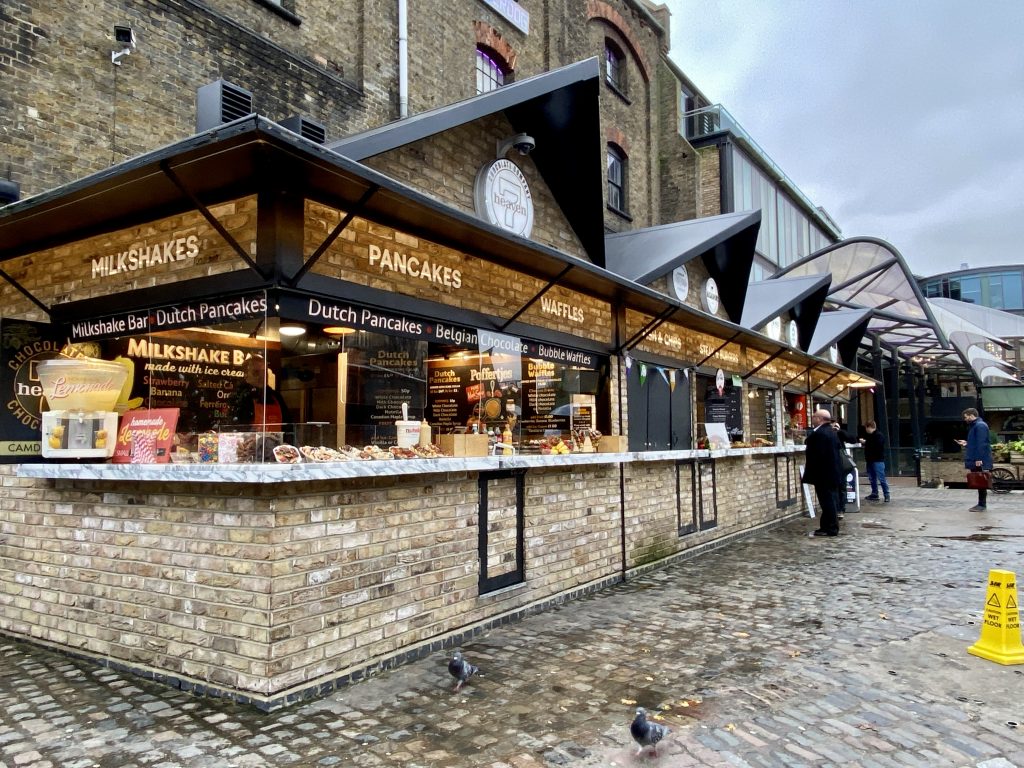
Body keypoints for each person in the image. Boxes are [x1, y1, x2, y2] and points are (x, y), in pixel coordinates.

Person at [802, 408, 843, 537]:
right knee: (829, 501)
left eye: (814, 416)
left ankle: (830, 528)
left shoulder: (821, 433)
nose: (812, 418)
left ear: (819, 419)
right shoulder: (830, 431)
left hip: (824, 475)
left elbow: (817, 453)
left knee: (827, 502)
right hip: (830, 473)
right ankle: (827, 527)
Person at [227, 354, 290, 429]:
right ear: (246, 375)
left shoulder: (276, 397)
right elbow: (234, 429)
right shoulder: (239, 397)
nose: (262, 376)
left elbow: (288, 427)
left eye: (265, 372)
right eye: (256, 372)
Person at [956, 407, 992, 511]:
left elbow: (982, 444)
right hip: (978, 458)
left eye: (966, 417)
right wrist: (966, 443)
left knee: (981, 481)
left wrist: (978, 459)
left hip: (979, 459)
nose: (965, 419)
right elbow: (976, 444)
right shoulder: (976, 426)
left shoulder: (980, 426)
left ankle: (982, 505)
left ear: (971, 415)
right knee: (980, 481)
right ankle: (981, 504)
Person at [859, 420, 890, 503]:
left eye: (866, 428)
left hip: (877, 460)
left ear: (869, 427)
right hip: (871, 460)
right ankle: (875, 493)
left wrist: (866, 442)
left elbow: (876, 446)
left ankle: (886, 494)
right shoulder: (871, 436)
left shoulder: (878, 435)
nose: (866, 430)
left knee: (881, 478)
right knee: (872, 478)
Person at [831, 420, 856, 516]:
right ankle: (835, 508)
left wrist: (840, 431)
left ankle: (841, 509)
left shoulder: (839, 434)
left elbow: (853, 439)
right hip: (830, 464)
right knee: (834, 488)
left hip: (840, 464)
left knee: (841, 487)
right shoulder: (825, 434)